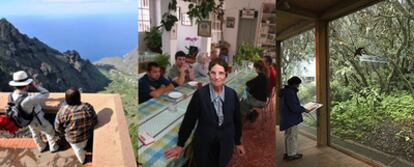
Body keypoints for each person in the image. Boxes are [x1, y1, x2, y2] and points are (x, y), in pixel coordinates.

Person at [164, 59, 246, 167]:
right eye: (213, 73)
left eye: (221, 73)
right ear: (208, 74)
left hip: (226, 143)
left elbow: (237, 120)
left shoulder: (232, 94)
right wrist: (180, 144)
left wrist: (238, 142)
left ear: (226, 75)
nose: (217, 77)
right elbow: (189, 121)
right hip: (205, 146)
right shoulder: (199, 95)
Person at [8, 71, 59, 153]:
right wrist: (36, 86)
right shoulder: (28, 99)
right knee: (49, 131)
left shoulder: (12, 95)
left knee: (35, 133)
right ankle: (54, 147)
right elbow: (46, 93)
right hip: (37, 119)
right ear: (26, 85)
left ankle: (41, 146)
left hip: (26, 119)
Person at [55, 87, 97, 164]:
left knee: (78, 150)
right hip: (86, 136)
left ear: (66, 99)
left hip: (72, 139)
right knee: (83, 144)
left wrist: (64, 133)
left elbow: (57, 127)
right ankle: (84, 147)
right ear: (79, 97)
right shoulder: (88, 107)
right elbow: (94, 120)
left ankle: (82, 160)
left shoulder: (62, 111)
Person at [279, 76, 310, 161]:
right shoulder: (290, 92)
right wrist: (304, 109)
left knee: (288, 135)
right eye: (298, 84)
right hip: (291, 118)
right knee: (292, 136)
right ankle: (292, 155)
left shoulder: (285, 91)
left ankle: (287, 153)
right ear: (295, 84)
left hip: (286, 117)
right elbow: (293, 107)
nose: (298, 86)